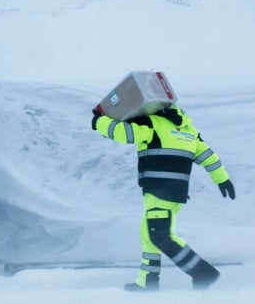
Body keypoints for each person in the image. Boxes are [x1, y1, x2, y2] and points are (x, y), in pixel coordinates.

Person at [91, 104, 235, 292]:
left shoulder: (153, 123)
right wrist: (222, 179)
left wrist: (99, 121)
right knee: (148, 232)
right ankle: (147, 281)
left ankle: (201, 272)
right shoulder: (188, 131)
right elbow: (208, 156)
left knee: (159, 235)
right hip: (176, 192)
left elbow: (124, 133)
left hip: (159, 190)